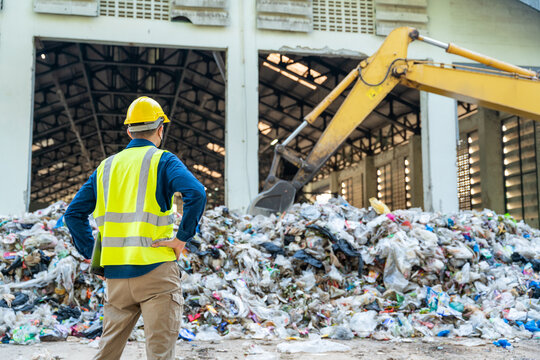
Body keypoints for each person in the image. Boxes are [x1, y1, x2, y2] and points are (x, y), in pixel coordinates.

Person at [64, 96, 207, 360]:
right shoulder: (163, 161)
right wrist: (182, 238)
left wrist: (94, 255)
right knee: (159, 354)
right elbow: (196, 193)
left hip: (117, 277)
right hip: (156, 273)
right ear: (160, 129)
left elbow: (72, 215)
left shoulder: (105, 167)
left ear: (129, 130)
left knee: (107, 353)